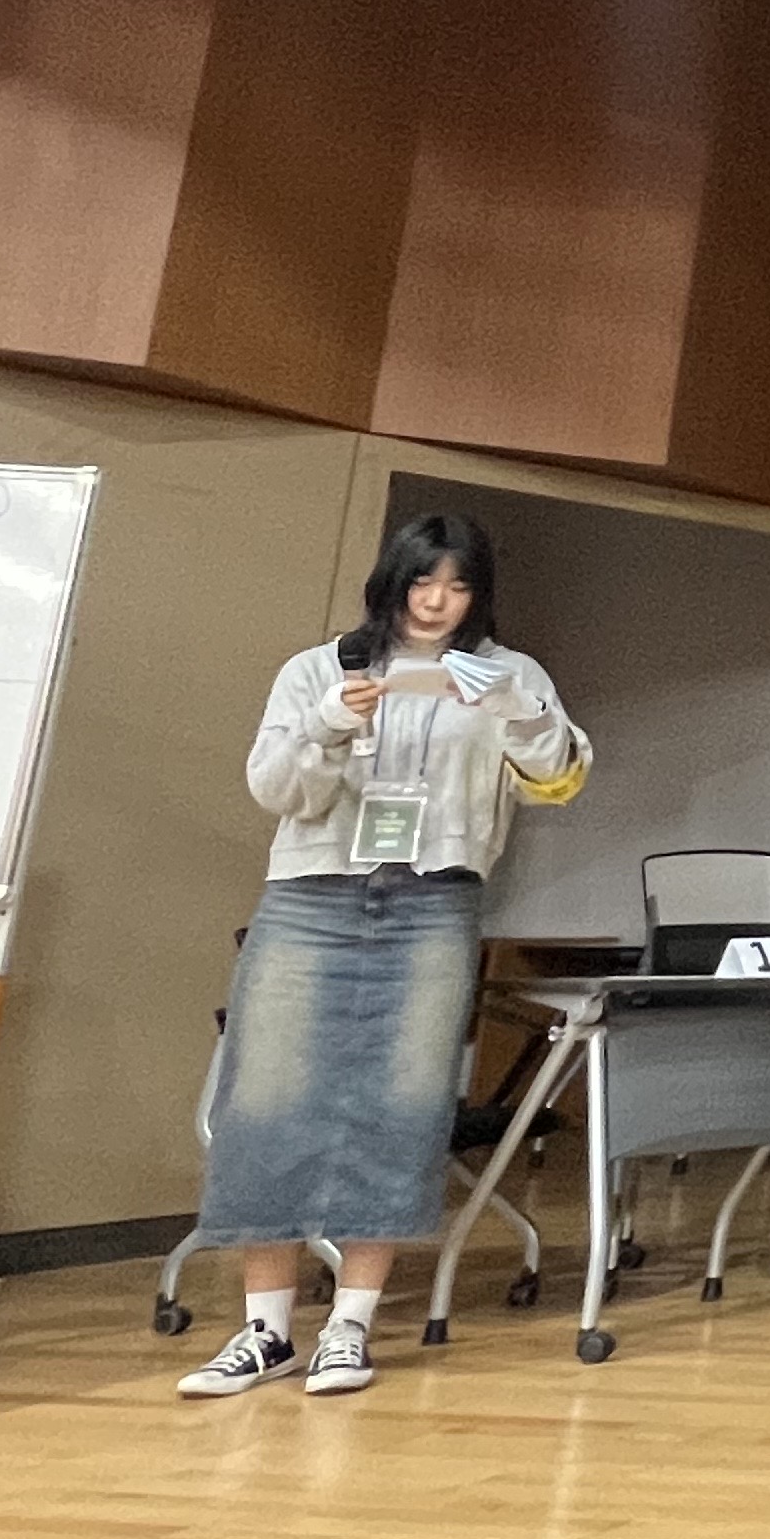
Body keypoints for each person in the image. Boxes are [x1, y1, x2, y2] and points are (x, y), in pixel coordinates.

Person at [180, 512, 589, 1401]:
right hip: (312, 894)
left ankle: (351, 1326)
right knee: (267, 1098)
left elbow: (558, 779)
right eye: (422, 582)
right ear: (392, 582)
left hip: (433, 899)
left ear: (479, 595)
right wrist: (328, 724)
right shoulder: (319, 668)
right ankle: (264, 1330)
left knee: (403, 1102)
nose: (437, 602)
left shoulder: (509, 673)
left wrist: (515, 712)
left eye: (458, 586)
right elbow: (275, 789)